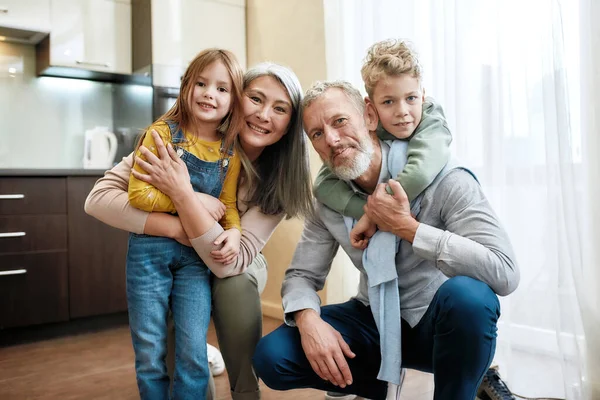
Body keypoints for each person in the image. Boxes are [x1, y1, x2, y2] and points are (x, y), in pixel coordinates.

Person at [252, 80, 520, 400]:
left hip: (438, 323)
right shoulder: (327, 200)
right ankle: (379, 383)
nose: (333, 140)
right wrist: (308, 321)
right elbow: (302, 276)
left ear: (368, 115)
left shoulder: (447, 180)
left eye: (339, 121)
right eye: (318, 134)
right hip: (374, 318)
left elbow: (505, 273)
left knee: (470, 296)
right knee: (272, 357)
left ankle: (463, 384)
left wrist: (408, 228)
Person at [84, 62, 313, 400]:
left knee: (232, 284)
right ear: (235, 98)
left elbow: (227, 262)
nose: (264, 114)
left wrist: (183, 194)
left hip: (237, 261)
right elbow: (98, 199)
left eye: (280, 109)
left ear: (289, 126)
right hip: (179, 254)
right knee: (176, 297)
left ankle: (246, 391)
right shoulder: (176, 141)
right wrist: (176, 227)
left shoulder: (280, 179)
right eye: (255, 98)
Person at [119, 48, 246, 399]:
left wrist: (234, 231)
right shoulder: (161, 134)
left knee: (193, 351)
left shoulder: (229, 152)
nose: (209, 93)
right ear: (187, 86)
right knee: (149, 352)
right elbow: (138, 195)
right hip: (148, 255)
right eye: (202, 83)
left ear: (234, 98)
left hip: (195, 261)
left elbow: (229, 205)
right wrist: (196, 200)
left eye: (222, 88)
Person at [314, 39, 451, 250]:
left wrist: (374, 215)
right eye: (388, 102)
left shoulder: (431, 116)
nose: (402, 111)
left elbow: (421, 173)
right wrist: (369, 211)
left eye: (411, 98)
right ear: (371, 107)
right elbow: (322, 185)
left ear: (422, 96)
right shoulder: (369, 126)